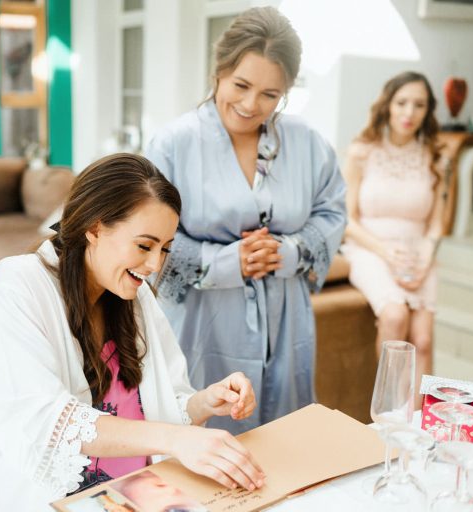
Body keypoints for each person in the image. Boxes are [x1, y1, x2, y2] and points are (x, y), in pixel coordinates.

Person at [0, 154, 265, 511]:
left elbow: (157, 414)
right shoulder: (17, 285)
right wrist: (178, 439)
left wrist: (204, 402)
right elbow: (47, 421)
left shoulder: (135, 298)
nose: (155, 265)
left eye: (165, 249)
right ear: (94, 228)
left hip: (136, 498)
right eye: (144, 245)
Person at [144, 6, 346, 434]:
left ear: (287, 91)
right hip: (204, 323)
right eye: (241, 85)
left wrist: (288, 252)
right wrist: (225, 263)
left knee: (285, 443)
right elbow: (145, 235)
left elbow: (332, 213)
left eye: (271, 94)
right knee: (209, 444)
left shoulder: (309, 144)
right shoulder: (173, 144)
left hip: (286, 320)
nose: (252, 105)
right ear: (219, 70)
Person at [341, 71, 445, 393]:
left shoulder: (437, 156)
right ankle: (391, 414)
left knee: (424, 341)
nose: (409, 113)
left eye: (419, 105)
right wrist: (387, 253)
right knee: (395, 315)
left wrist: (424, 260)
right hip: (371, 250)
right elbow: (347, 219)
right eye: (402, 102)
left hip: (418, 254)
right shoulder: (362, 151)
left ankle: (419, 431)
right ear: (387, 105)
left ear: (428, 111)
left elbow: (437, 223)